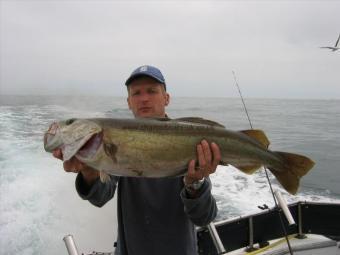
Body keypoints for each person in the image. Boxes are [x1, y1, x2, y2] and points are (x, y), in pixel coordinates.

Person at [53, 65, 221, 255]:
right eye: (136, 93)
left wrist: (195, 184)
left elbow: (204, 217)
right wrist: (90, 171)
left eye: (152, 91)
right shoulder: (117, 140)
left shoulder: (189, 141)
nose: (144, 99)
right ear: (128, 102)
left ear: (166, 98)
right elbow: (101, 197)